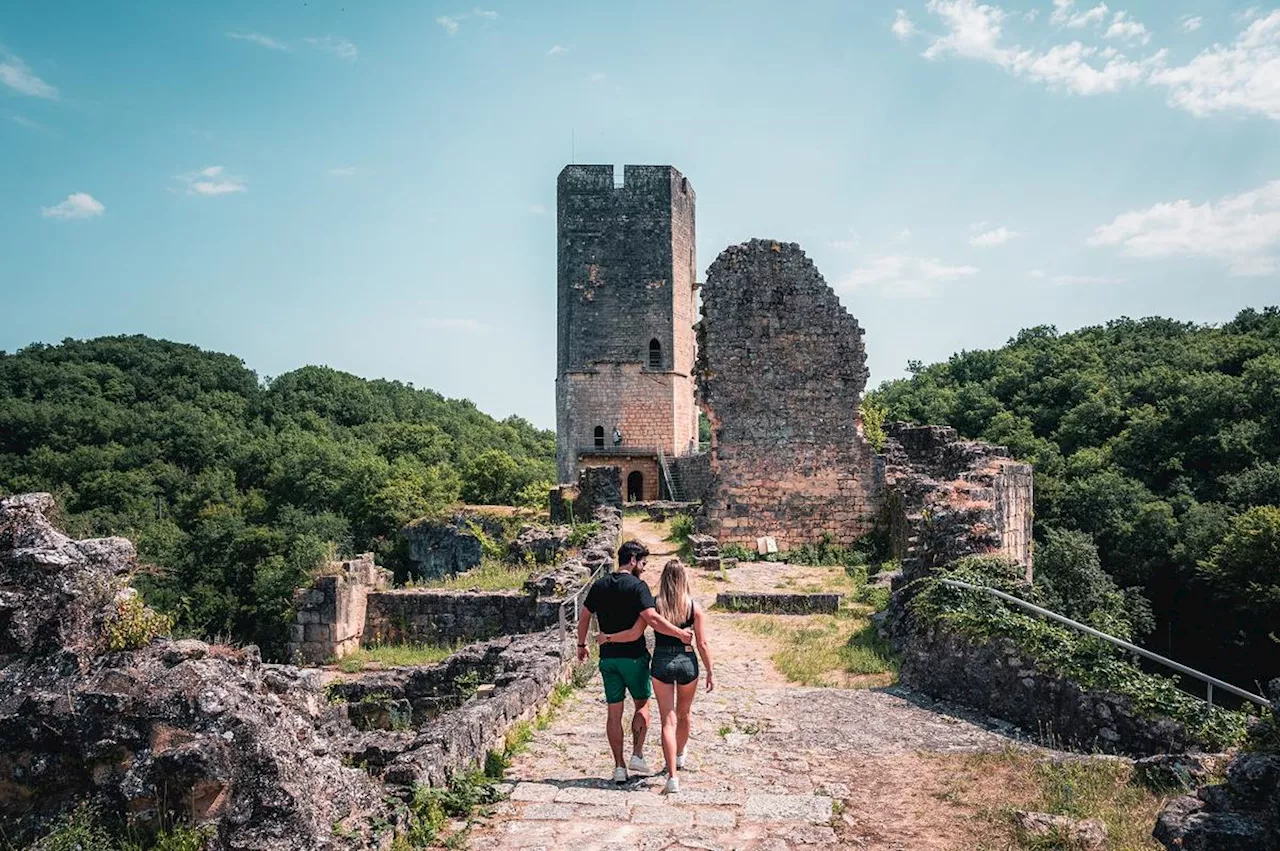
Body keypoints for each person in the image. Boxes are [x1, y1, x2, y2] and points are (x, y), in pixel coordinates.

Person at [576, 540, 694, 784]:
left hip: (608, 658)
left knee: (613, 713)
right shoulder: (638, 587)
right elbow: (652, 619)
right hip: (634, 657)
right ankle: (637, 754)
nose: (644, 567)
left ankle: (619, 767)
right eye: (643, 562)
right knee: (642, 705)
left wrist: (582, 644)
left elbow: (585, 615)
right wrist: (679, 633)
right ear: (632, 560)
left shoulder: (599, 585)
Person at [599, 558, 713, 794]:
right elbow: (701, 643)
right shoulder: (693, 607)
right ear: (684, 580)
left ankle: (672, 778)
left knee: (667, 721)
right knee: (684, 714)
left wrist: (608, 637)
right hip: (687, 662)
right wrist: (710, 670)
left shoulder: (654, 605)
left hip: (661, 662)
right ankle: (679, 755)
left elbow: (636, 631)